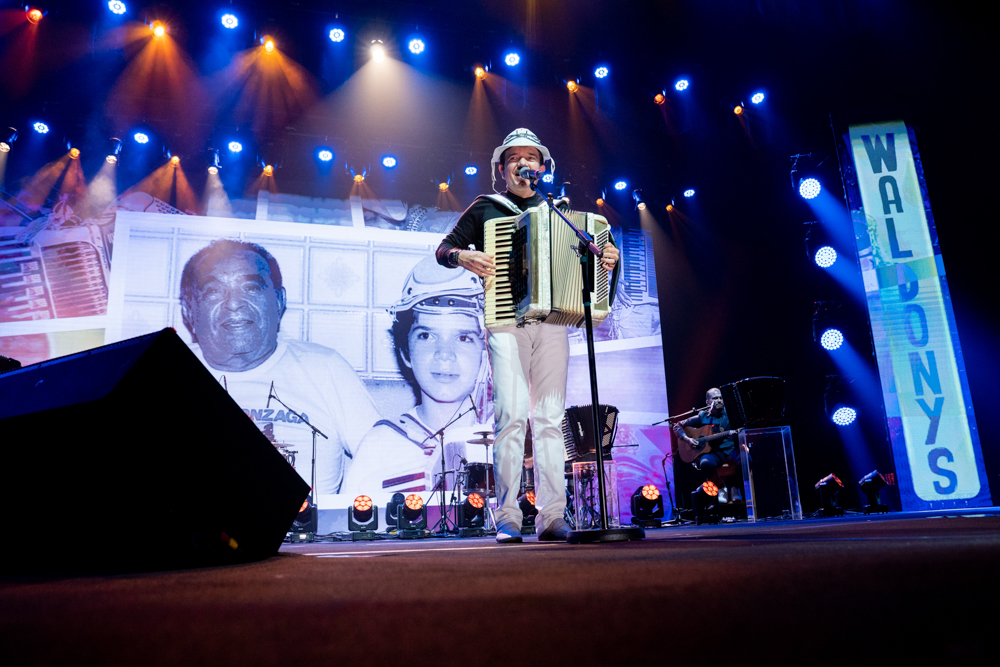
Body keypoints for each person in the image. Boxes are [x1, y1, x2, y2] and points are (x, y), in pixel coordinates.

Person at [435, 128, 619, 543]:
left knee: (551, 419)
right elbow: (444, 249)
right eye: (514, 157)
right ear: (502, 169)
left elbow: (594, 265)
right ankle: (507, 517)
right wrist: (462, 255)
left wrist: (608, 257)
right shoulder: (486, 207)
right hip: (506, 322)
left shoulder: (560, 212)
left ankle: (552, 516)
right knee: (512, 416)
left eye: (531, 157)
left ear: (542, 167)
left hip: (553, 324)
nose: (523, 163)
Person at [180, 239, 381, 495]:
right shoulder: (165, 372)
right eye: (213, 291)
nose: (234, 303)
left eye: (251, 288)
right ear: (189, 310)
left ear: (278, 300)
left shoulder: (325, 368)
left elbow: (387, 460)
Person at [342, 255, 492, 498]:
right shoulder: (379, 447)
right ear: (405, 351)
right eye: (426, 336)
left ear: (486, 351)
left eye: (463, 337)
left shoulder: (510, 440)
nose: (444, 354)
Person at [672, 388, 740, 502]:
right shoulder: (702, 416)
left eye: (720, 398)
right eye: (715, 398)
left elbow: (743, 428)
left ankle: (735, 487)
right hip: (713, 453)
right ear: (708, 402)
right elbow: (677, 426)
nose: (719, 400)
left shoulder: (730, 415)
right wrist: (687, 439)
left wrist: (737, 434)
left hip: (729, 450)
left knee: (746, 459)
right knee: (705, 463)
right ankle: (720, 488)